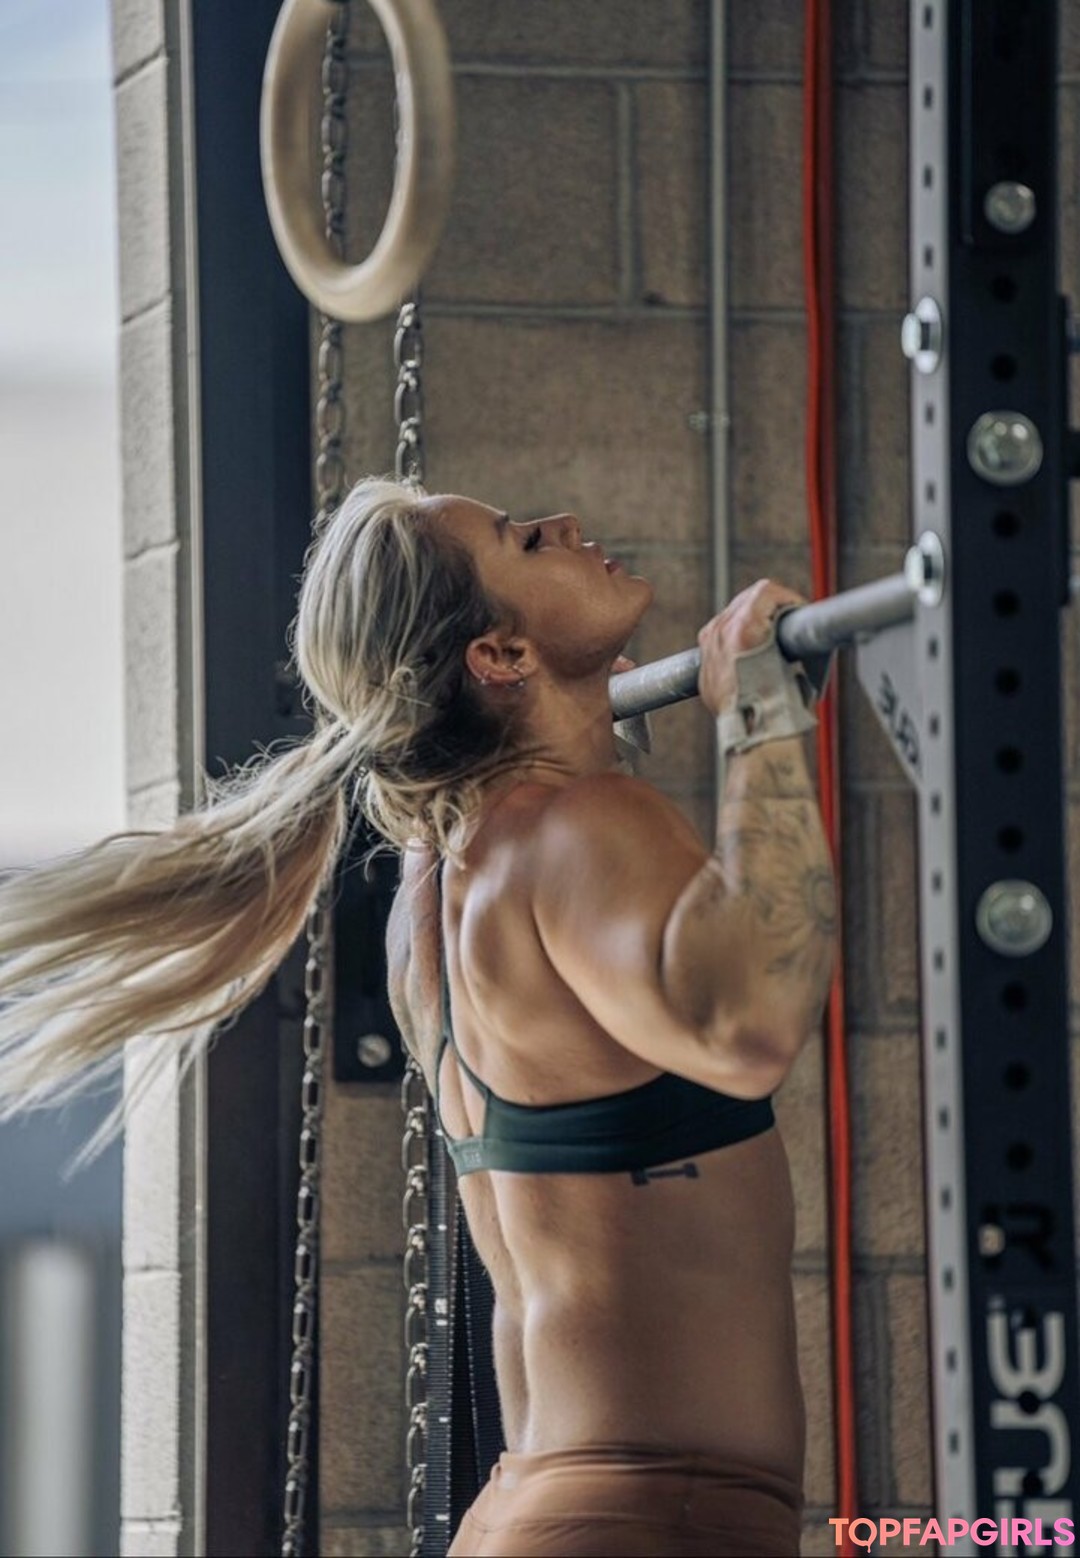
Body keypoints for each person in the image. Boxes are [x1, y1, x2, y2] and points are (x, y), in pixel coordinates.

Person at [0, 476, 836, 1556]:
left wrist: (575, 717)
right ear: (501, 654)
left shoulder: (437, 890)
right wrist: (762, 720)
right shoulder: (575, 831)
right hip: (651, 1517)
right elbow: (747, 1027)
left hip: (546, 1505)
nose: (565, 525)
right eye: (525, 541)